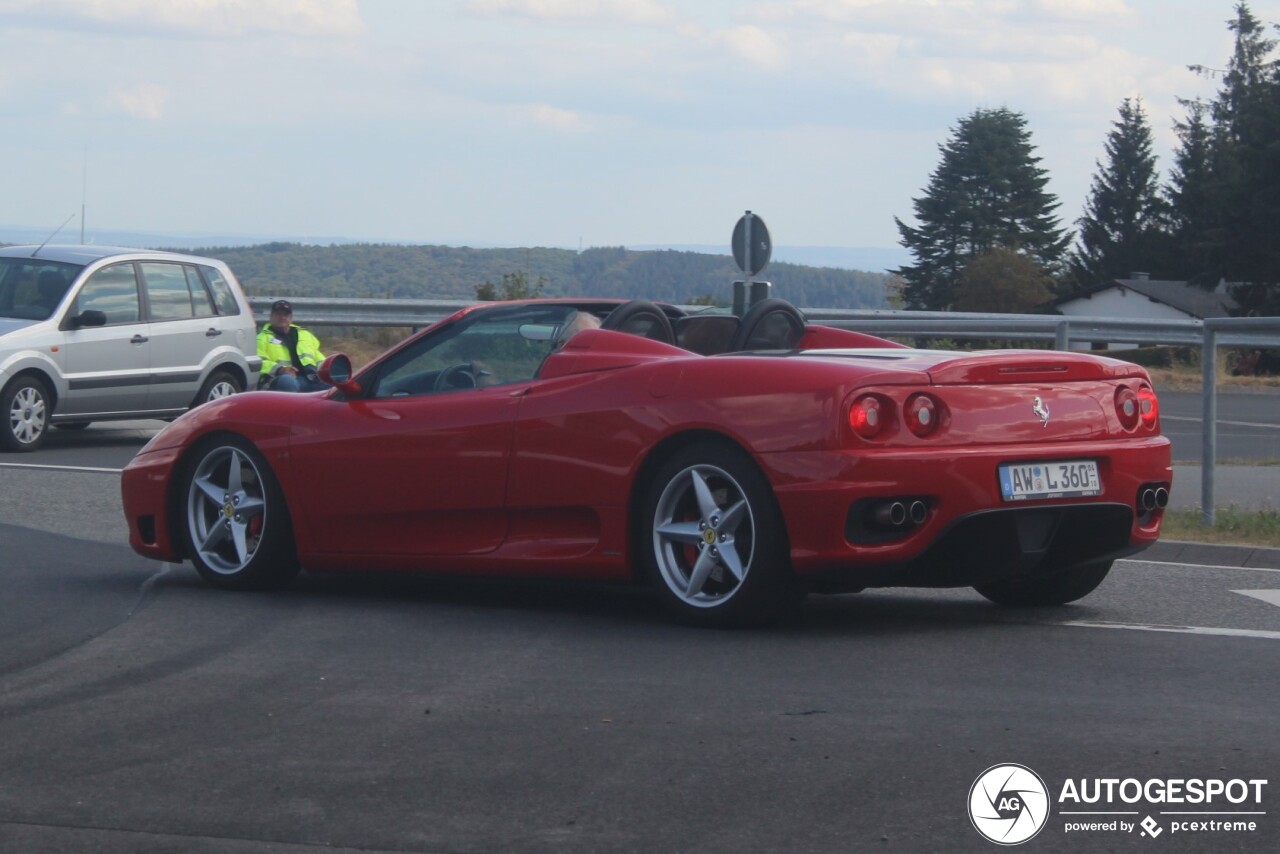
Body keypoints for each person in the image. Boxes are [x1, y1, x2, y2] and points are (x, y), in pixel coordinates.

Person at [257, 299, 327, 391]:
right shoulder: (261, 338)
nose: (282, 317)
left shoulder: (305, 335)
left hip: (311, 378)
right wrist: (281, 369)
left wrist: (326, 369)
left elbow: (318, 356)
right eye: (278, 314)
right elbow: (259, 362)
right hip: (278, 379)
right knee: (287, 382)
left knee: (335, 384)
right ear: (271, 317)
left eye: (285, 315)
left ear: (291, 318)